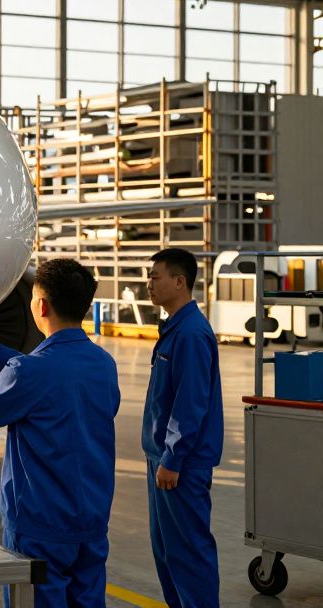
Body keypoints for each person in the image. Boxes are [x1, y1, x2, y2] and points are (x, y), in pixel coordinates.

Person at [0, 259, 120, 608]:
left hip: (40, 526)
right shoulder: (103, 364)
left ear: (40, 306)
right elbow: (52, 376)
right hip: (91, 521)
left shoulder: (29, 373)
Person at [143, 248, 222, 607]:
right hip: (162, 458)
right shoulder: (174, 328)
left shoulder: (190, 334)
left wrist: (173, 458)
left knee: (188, 553)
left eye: (155, 277)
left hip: (180, 465)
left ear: (180, 281)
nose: (149, 284)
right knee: (167, 552)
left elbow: (191, 403)